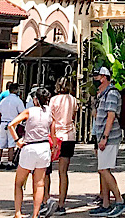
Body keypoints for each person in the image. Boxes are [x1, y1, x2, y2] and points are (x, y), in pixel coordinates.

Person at [8, 87, 53, 218]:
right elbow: (53, 128)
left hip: (30, 147)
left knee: (19, 183)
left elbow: (11, 124)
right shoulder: (49, 112)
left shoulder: (30, 111)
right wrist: (54, 145)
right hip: (44, 147)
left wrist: (17, 140)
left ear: (35, 99)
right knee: (39, 183)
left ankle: (18, 212)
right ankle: (35, 214)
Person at [90, 66, 125, 217]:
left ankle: (119, 201)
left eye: (97, 77)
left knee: (104, 169)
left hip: (110, 137)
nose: (95, 80)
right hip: (101, 137)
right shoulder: (101, 95)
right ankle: (106, 203)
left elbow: (110, 117)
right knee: (103, 169)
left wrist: (105, 137)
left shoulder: (111, 94)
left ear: (104, 77)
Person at [49, 77, 78, 214]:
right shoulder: (73, 100)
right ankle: (62, 203)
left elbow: (52, 120)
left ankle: (45, 200)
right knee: (63, 172)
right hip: (69, 136)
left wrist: (53, 138)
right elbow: (73, 115)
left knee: (46, 171)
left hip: (56, 136)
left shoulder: (53, 100)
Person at [0, 82, 24, 168]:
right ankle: (10, 162)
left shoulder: (4, 100)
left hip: (3, 122)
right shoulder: (18, 101)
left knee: (0, 143)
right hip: (12, 124)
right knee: (11, 143)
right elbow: (22, 112)